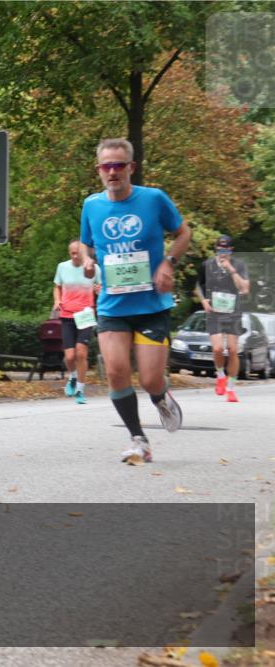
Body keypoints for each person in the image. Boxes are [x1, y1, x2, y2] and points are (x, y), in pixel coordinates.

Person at [79, 138, 192, 465]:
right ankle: (138, 439)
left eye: (118, 165)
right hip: (113, 305)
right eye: (106, 166)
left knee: (149, 379)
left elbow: (183, 233)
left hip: (151, 306)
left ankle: (159, 395)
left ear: (131, 167)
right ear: (98, 170)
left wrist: (168, 262)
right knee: (115, 372)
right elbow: (86, 245)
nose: (112, 172)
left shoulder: (154, 199)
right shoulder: (92, 205)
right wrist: (87, 261)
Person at [194, 235, 251, 402]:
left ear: (231, 250)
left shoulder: (239, 265)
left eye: (225, 250)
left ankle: (231, 388)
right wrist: (203, 300)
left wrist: (230, 269)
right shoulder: (207, 265)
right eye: (219, 249)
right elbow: (198, 286)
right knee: (218, 349)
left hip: (233, 312)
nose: (222, 252)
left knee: (233, 350)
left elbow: (245, 289)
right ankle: (220, 375)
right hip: (215, 311)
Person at [53, 240, 102, 404]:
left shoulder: (93, 268)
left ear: (83, 253)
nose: (75, 256)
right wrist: (57, 300)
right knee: (70, 356)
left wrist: (99, 291)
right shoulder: (62, 267)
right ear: (69, 253)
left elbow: (101, 288)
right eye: (72, 253)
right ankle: (72, 377)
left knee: (81, 352)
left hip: (86, 315)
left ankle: (80, 391)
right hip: (67, 314)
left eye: (77, 253)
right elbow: (56, 286)